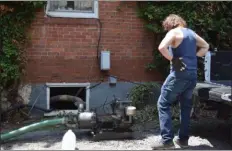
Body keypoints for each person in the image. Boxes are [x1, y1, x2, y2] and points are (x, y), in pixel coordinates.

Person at [151, 14, 209, 149]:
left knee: (163, 103)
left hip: (179, 75)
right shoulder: (191, 33)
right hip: (192, 75)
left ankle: (167, 141)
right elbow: (205, 46)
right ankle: (183, 140)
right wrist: (194, 58)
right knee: (186, 106)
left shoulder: (174, 33)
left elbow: (161, 47)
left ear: (170, 24)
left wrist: (173, 60)